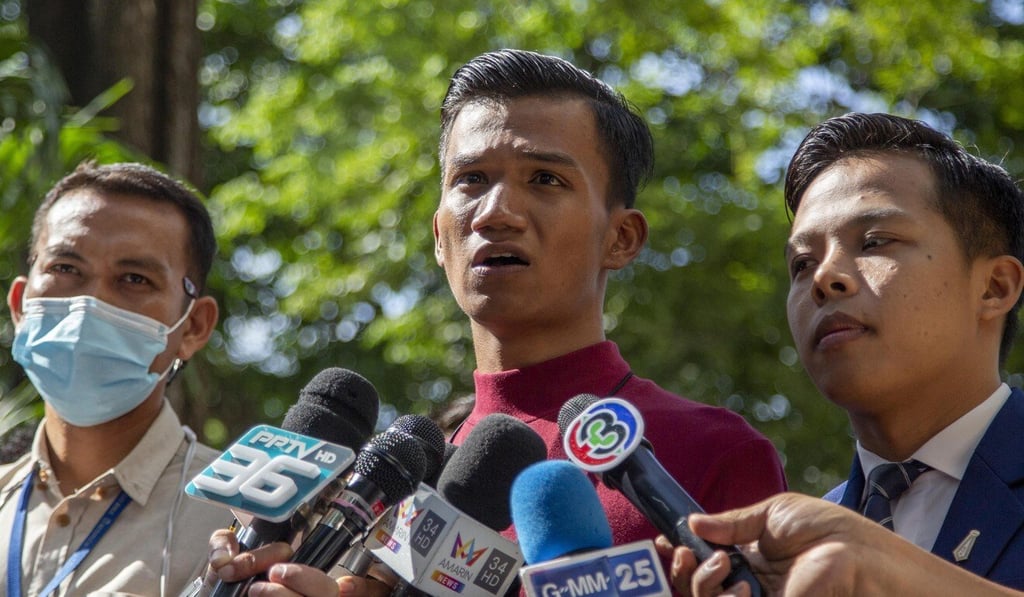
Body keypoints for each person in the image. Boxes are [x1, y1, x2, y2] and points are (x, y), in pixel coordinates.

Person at [206, 48, 787, 596]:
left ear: (621, 237)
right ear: (440, 236)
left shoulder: (711, 455)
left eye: (545, 179)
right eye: (471, 180)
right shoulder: (391, 480)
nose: (497, 212)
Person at [660, 112, 1024, 593]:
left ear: (994, 287)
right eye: (802, 263)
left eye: (875, 241)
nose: (824, 278)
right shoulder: (794, 552)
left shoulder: (837, 545)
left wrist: (886, 570)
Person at [0, 161, 232, 596]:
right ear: (19, 305)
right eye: (66, 268)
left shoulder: (239, 528)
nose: (90, 302)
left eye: (134, 278)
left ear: (194, 327)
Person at [659, 492, 1022, 596]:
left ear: (993, 300)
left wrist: (879, 572)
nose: (821, 299)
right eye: (798, 296)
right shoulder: (789, 544)